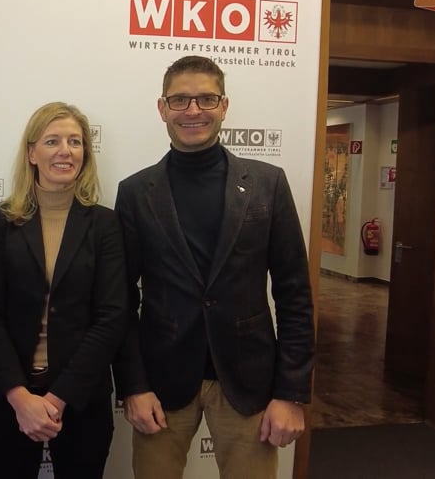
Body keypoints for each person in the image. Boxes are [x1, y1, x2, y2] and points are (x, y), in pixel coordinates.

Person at [112, 56, 314, 479]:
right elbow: (120, 302)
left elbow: (294, 293)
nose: (193, 110)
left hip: (248, 381)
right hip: (161, 385)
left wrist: (291, 393)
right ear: (162, 108)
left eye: (206, 99)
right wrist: (133, 385)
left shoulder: (268, 184)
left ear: (224, 106)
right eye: (180, 100)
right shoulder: (134, 192)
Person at [0, 102, 127, 479]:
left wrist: (57, 399)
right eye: (52, 141)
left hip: (82, 396)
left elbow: (111, 317)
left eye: (75, 142)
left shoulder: (104, 224)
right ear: (32, 153)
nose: (65, 151)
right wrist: (19, 397)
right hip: (13, 395)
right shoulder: (4, 220)